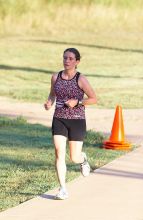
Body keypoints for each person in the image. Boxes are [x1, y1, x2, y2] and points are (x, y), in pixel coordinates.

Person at [44, 48, 97, 200]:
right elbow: (52, 94)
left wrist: (78, 102)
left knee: (74, 157)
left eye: (70, 58)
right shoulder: (56, 77)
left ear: (77, 62)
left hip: (77, 120)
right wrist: (49, 102)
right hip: (59, 118)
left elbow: (94, 98)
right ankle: (63, 189)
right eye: (65, 58)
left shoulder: (80, 79)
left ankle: (83, 159)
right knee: (59, 153)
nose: (67, 61)